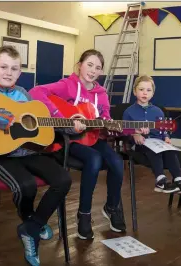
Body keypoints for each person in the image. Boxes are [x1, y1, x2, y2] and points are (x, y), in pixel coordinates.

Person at [0, 45, 76, 266]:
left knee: (64, 178)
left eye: (14, 68)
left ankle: (32, 227)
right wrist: (0, 118)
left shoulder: (24, 95)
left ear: (20, 73)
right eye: (3, 67)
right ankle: (32, 223)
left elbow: (41, 124)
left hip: (26, 151)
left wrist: (70, 126)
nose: (8, 72)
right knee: (25, 185)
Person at [29, 49, 126, 240]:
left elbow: (105, 118)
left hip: (93, 138)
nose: (93, 70)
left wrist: (110, 127)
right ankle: (84, 213)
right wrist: (63, 118)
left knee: (116, 161)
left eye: (98, 68)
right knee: (94, 160)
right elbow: (36, 92)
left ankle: (112, 206)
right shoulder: (68, 85)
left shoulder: (102, 94)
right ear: (79, 65)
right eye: (89, 65)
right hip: (69, 140)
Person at [122, 75, 181, 195]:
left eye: (148, 90)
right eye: (141, 89)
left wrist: (167, 137)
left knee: (170, 150)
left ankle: (178, 179)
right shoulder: (129, 112)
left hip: (158, 142)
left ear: (153, 93)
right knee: (154, 150)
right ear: (134, 91)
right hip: (140, 144)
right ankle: (160, 180)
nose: (145, 93)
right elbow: (124, 130)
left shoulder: (158, 111)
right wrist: (134, 134)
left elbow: (163, 129)